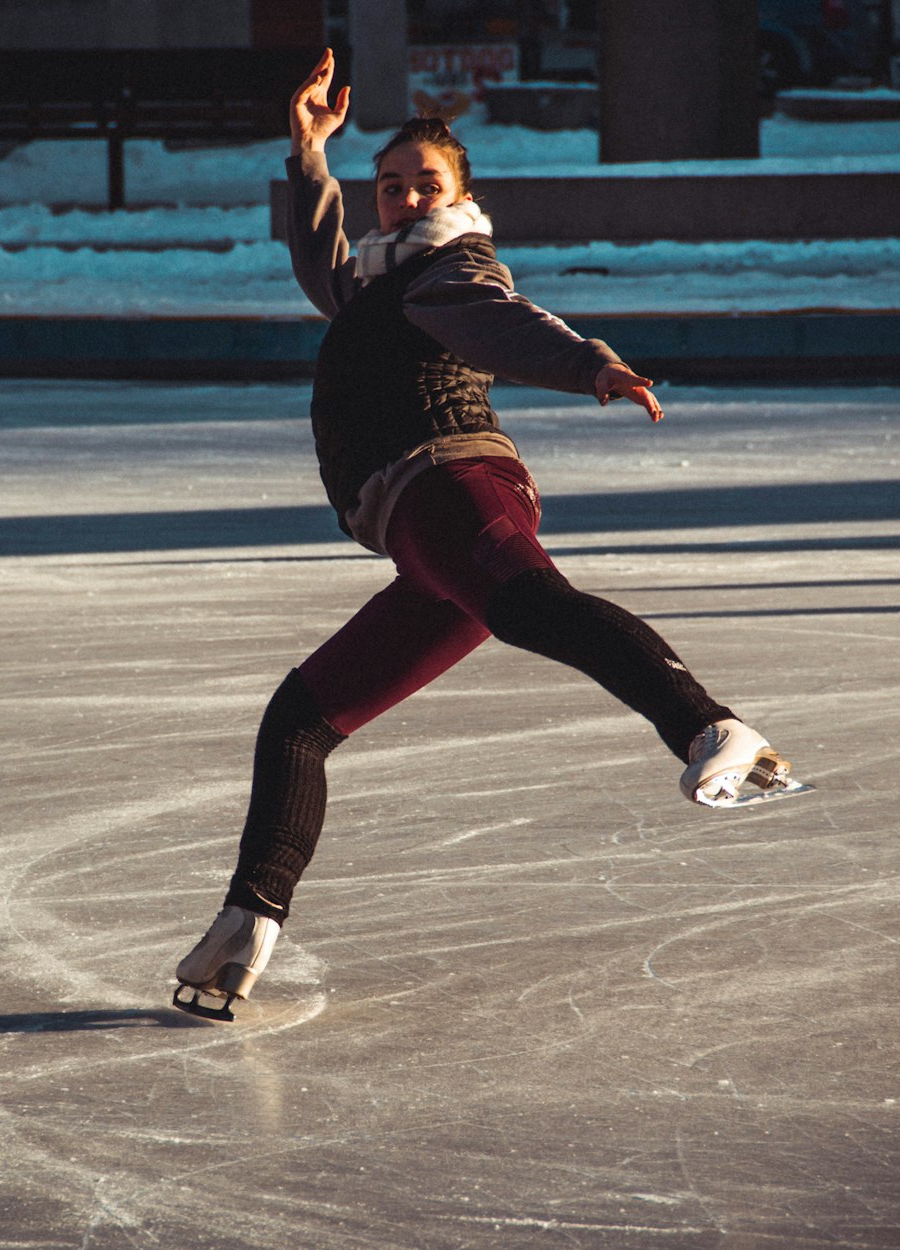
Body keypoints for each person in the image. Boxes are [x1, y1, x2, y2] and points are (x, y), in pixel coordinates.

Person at [172, 49, 804, 1021]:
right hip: (419, 539)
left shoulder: (447, 267)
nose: (405, 196)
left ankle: (711, 727)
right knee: (299, 721)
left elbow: (499, 322)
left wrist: (592, 365)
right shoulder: (380, 282)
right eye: (389, 185)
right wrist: (306, 150)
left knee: (534, 607)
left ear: (461, 194)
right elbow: (318, 261)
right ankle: (244, 923)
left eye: (426, 182)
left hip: (450, 484)